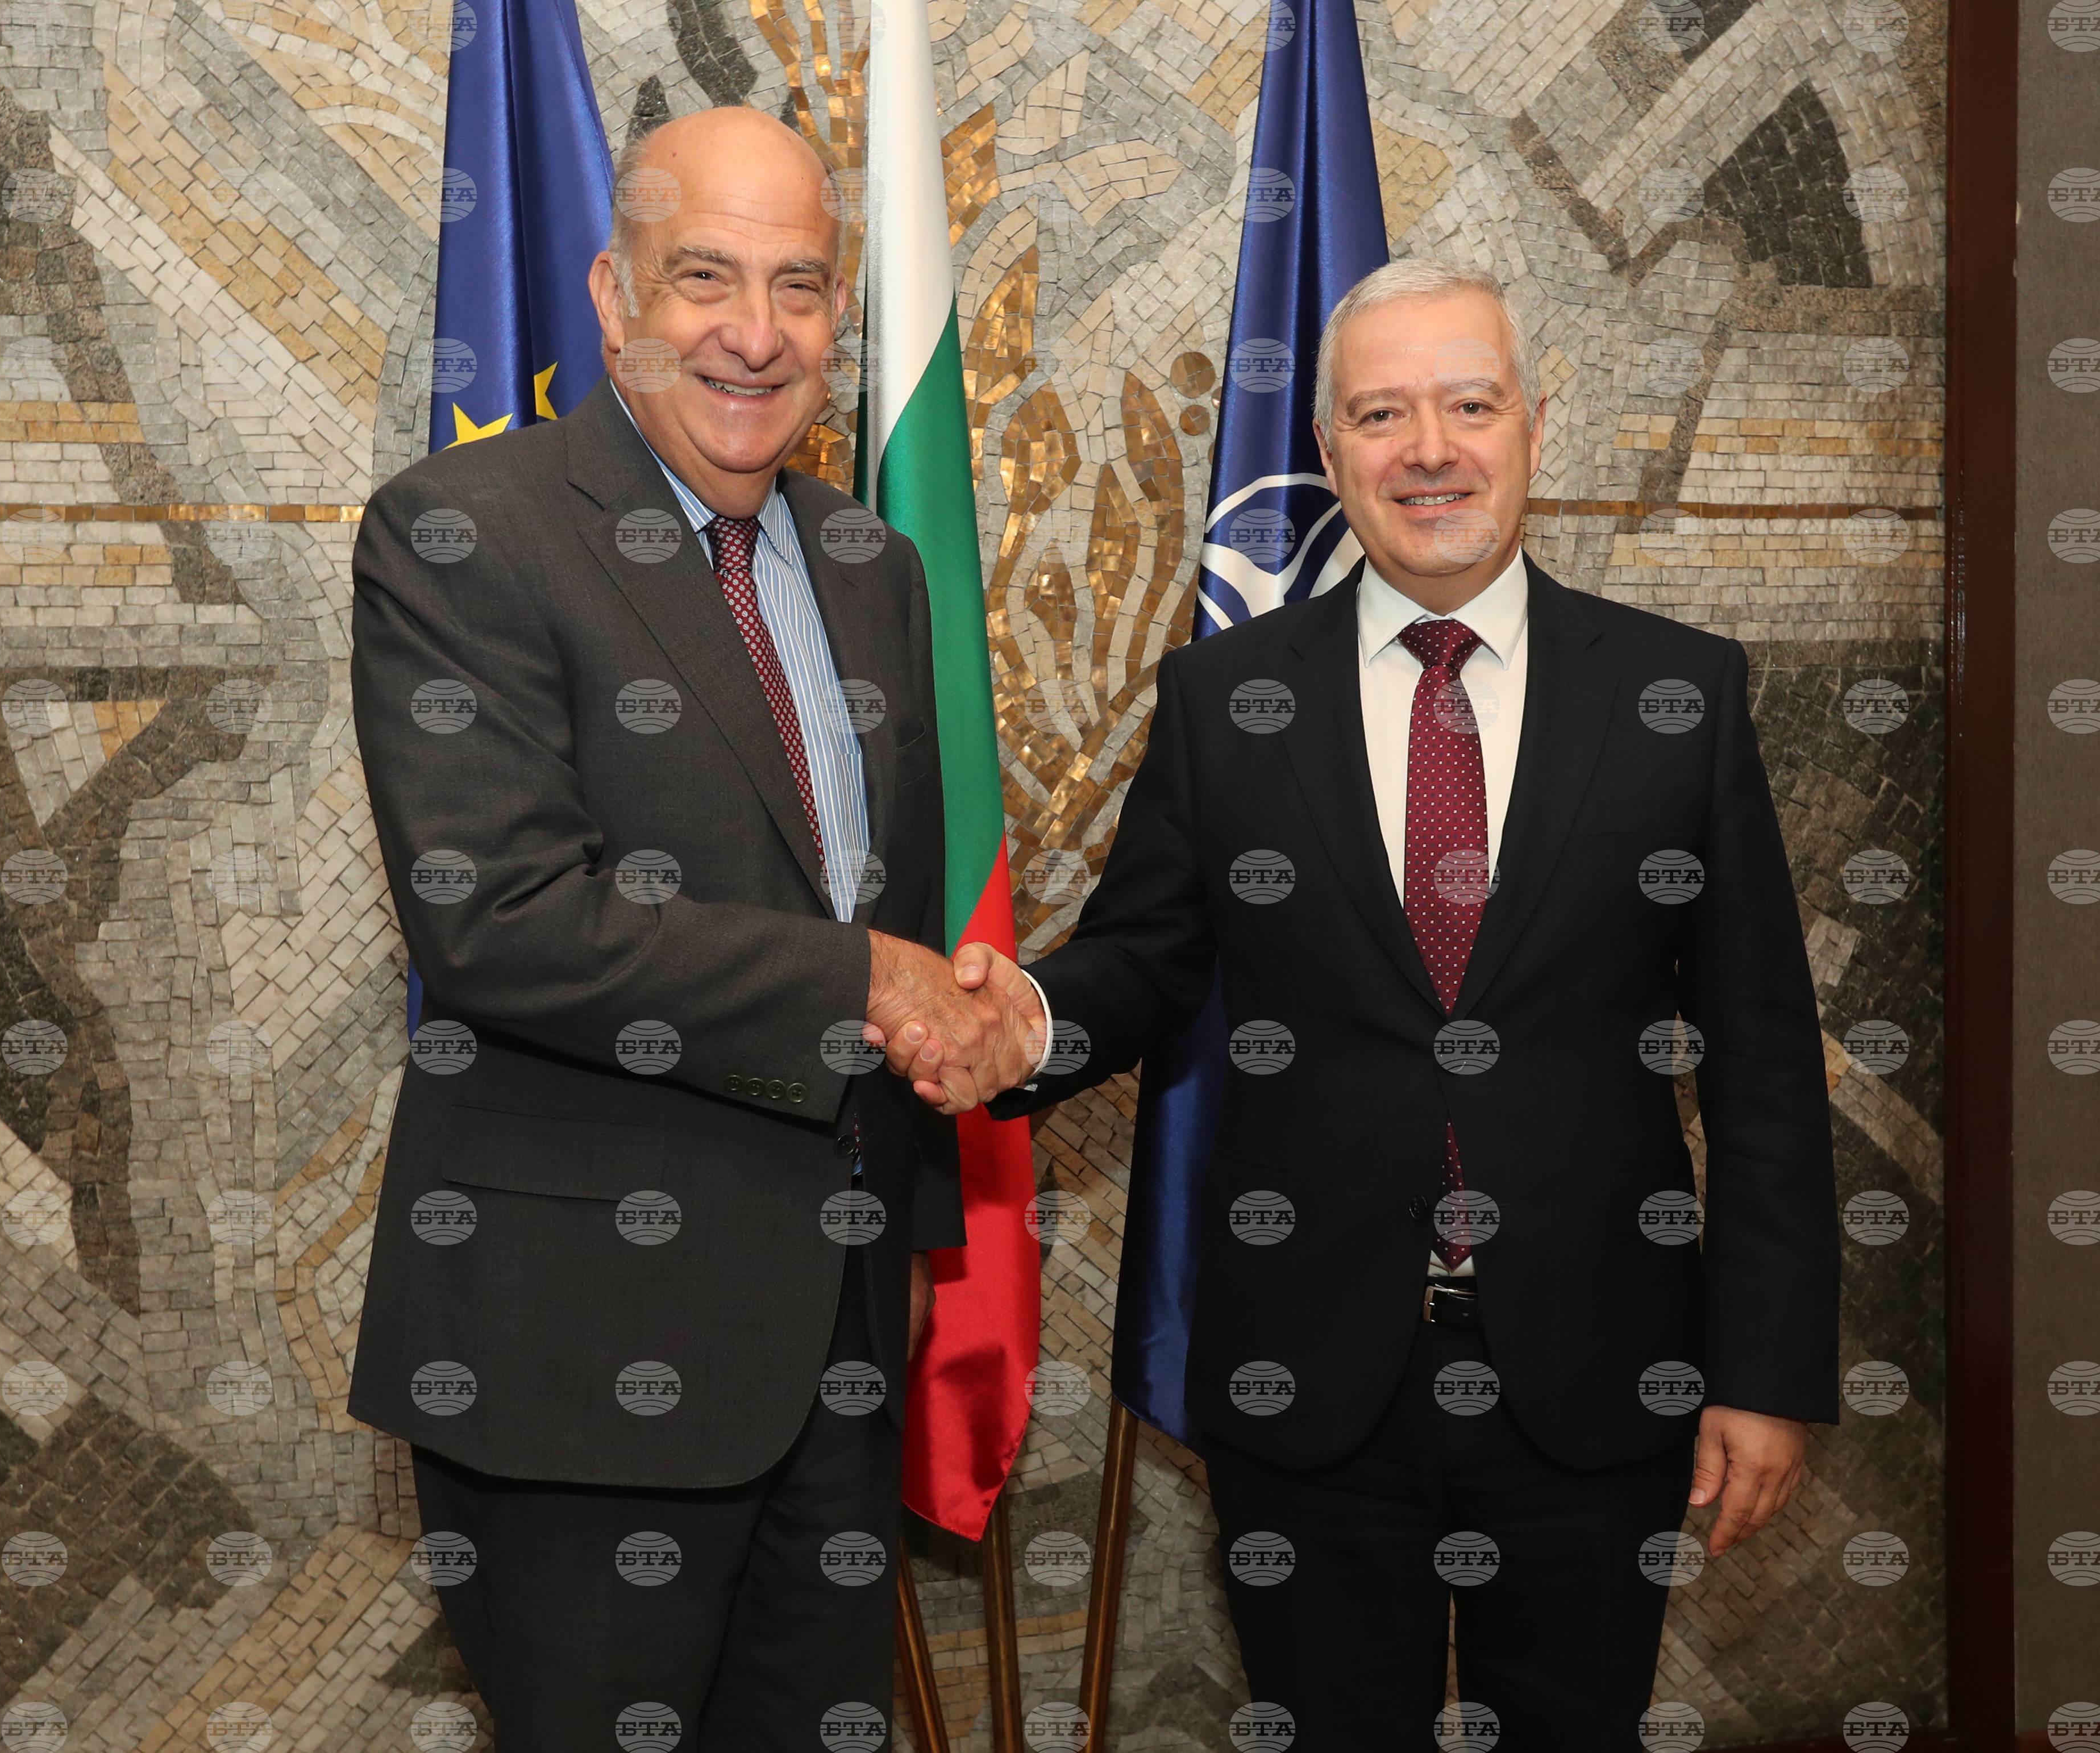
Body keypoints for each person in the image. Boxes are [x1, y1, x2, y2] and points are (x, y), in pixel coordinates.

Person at [884, 257, 1839, 1746]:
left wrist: (1767, 1372)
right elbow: (1143, 963)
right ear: (1331, 454)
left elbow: (1765, 1065)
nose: (1430, 449)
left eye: (1471, 405)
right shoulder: (1226, 702)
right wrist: (1026, 1025)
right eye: (1384, 415)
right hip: (1309, 1382)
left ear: (1535, 426)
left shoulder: (1678, 697)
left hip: (1602, 1376)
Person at [344, 106, 1036, 1751]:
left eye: (799, 287)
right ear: (614, 295)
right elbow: (500, 919)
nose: (755, 333)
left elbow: (898, 908)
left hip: (840, 1353)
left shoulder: (873, 565)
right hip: (581, 1360)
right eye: (705, 277)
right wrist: (868, 982)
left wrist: (913, 1238)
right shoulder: (465, 528)